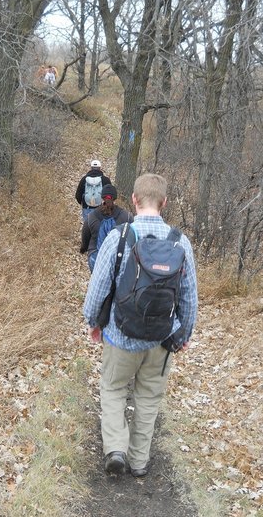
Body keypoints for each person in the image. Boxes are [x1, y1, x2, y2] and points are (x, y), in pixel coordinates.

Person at [83, 173, 198, 478]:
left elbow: (97, 291)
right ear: (164, 202)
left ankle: (116, 449)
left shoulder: (119, 237)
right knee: (148, 398)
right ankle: (138, 462)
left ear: (133, 200)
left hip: (121, 336)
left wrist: (95, 322)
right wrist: (182, 335)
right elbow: (189, 298)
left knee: (113, 388)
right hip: (161, 340)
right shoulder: (180, 242)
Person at [80, 184, 133, 272]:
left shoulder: (91, 216)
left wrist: (83, 249)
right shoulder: (126, 217)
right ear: (115, 198)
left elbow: (85, 236)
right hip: (118, 257)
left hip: (95, 256)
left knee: (98, 282)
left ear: (102, 197)